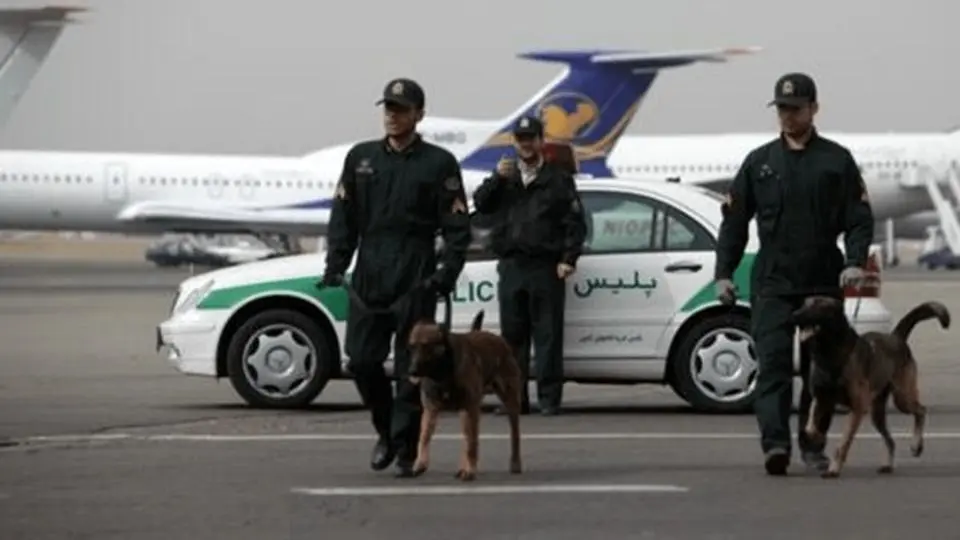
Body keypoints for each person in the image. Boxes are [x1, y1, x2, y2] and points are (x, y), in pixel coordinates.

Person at [713, 72, 875, 476]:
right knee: (773, 366)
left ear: (813, 109)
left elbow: (859, 218)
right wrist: (724, 273)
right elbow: (733, 222)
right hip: (773, 282)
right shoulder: (760, 162)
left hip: (821, 283)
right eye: (782, 108)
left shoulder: (836, 161)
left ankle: (813, 445)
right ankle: (776, 445)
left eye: (795, 108)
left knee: (821, 376)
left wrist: (854, 259)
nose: (787, 115)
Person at [318, 77, 472, 477]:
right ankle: (385, 430)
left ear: (419, 115)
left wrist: (446, 273)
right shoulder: (360, 158)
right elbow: (343, 218)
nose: (392, 115)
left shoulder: (438, 163)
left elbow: (457, 227)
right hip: (370, 268)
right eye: (387, 108)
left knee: (410, 367)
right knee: (362, 361)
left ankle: (404, 447)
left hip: (415, 269)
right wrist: (336, 263)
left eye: (401, 109)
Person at [472, 115, 588, 416]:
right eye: (521, 139)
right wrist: (496, 178)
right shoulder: (505, 178)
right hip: (512, 266)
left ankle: (549, 399)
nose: (526, 144)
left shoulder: (557, 179)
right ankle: (515, 399)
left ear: (540, 141)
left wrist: (568, 259)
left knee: (548, 335)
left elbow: (574, 224)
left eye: (531, 138)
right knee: (512, 339)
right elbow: (481, 205)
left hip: (545, 267)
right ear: (516, 142)